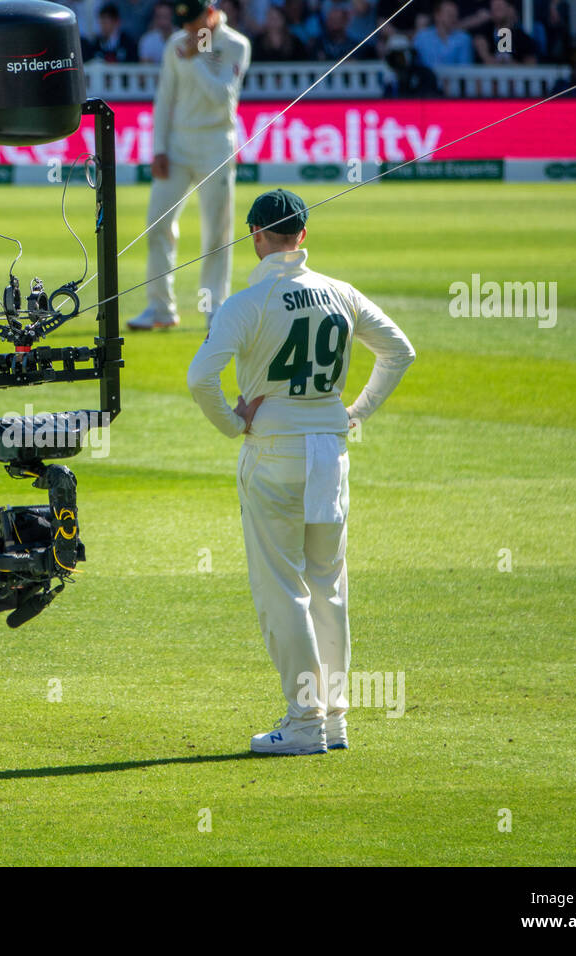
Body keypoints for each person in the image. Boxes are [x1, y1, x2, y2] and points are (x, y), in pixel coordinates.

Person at [186, 189, 414, 755]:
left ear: (257, 237)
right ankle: (332, 721)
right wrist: (354, 412)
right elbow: (399, 351)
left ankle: (307, 721)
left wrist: (233, 422)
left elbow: (200, 378)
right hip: (329, 453)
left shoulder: (247, 302)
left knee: (282, 590)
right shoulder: (340, 294)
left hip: (275, 452)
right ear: (303, 237)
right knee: (328, 587)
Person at [129, 0, 250, 332]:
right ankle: (160, 308)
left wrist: (196, 60)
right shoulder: (176, 43)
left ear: (210, 14)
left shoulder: (235, 44)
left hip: (216, 144)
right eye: (184, 24)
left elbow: (223, 97)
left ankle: (214, 309)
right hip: (179, 145)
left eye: (195, 22)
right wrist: (159, 149)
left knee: (216, 231)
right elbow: (165, 98)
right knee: (157, 223)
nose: (189, 31)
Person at [411, 0, 472, 70]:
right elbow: (414, 65)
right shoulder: (421, 37)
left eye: (455, 14)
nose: (453, 17)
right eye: (449, 14)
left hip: (452, 79)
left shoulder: (464, 38)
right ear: (437, 15)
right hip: (426, 79)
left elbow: (465, 69)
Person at [472, 0, 536, 65]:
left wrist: (511, 64)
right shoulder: (483, 34)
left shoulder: (523, 38)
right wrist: (488, 58)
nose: (496, 11)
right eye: (494, 8)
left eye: (499, 8)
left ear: (511, 9)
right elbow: (480, 43)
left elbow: (531, 65)